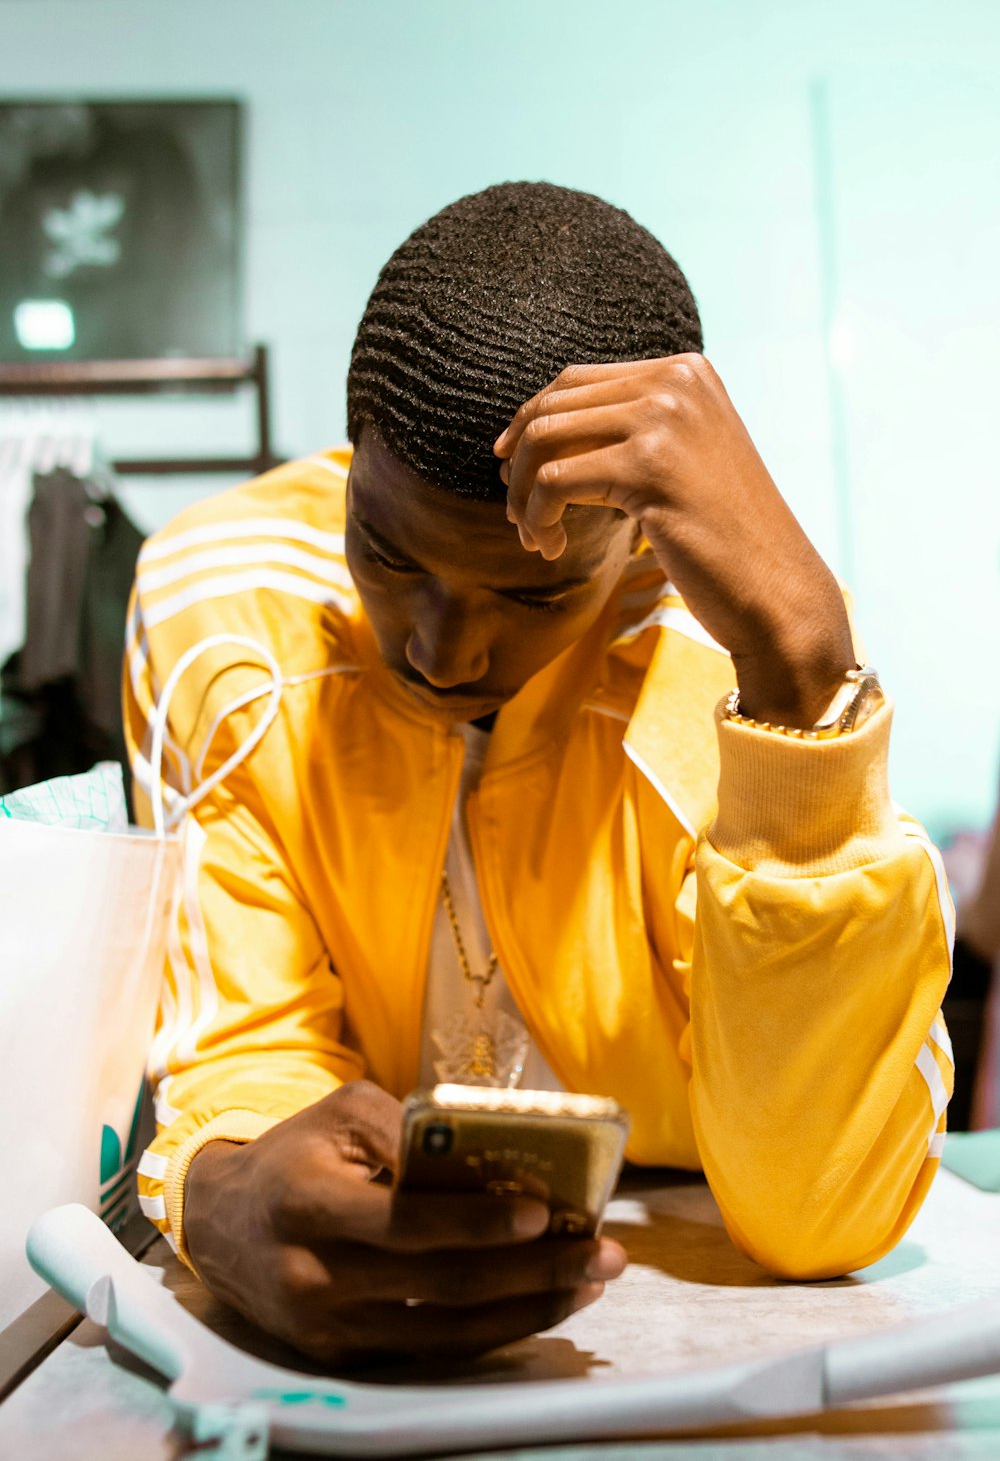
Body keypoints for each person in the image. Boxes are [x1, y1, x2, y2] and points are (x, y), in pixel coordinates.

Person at [126, 182, 954, 1368]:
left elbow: (818, 1211)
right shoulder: (225, 606)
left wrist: (805, 672)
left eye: (533, 592)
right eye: (387, 552)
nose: (439, 650)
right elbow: (240, 1046)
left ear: (629, 551)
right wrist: (221, 1185)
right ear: (347, 457)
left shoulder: (728, 655)